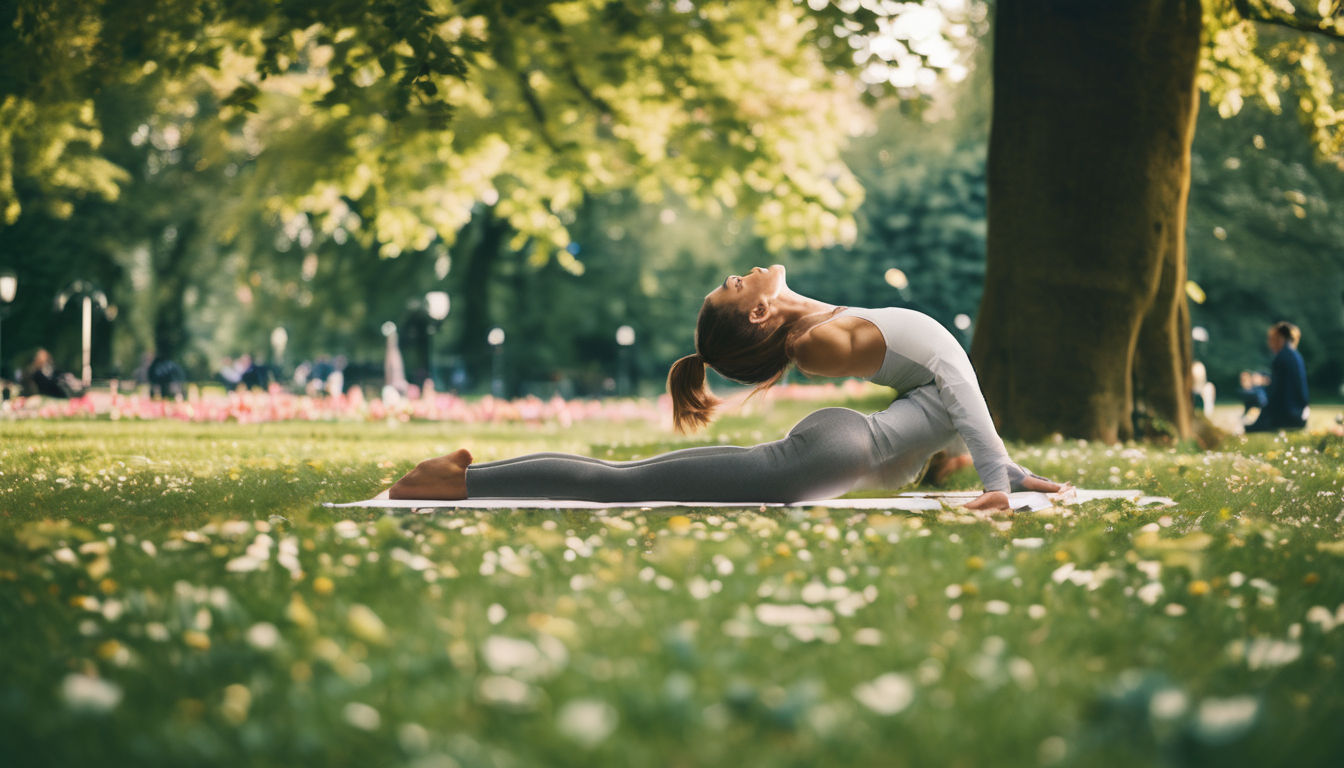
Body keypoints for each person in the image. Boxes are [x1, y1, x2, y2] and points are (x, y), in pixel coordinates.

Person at [389, 265, 1063, 510]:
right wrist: (1000, 482)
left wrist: (1006, 472)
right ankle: (452, 483)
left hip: (842, 449)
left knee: (629, 481)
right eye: (737, 286)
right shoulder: (822, 337)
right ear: (761, 313)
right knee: (628, 483)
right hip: (836, 451)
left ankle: (459, 482)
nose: (743, 274)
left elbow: (953, 410)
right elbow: (959, 398)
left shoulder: (825, 335)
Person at [1244, 321, 1309, 433]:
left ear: (1280, 338)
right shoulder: (1297, 356)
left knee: (1253, 393)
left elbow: (1274, 394)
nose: (1269, 343)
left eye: (1271, 339)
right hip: (1300, 417)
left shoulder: (1280, 358)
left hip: (1285, 417)